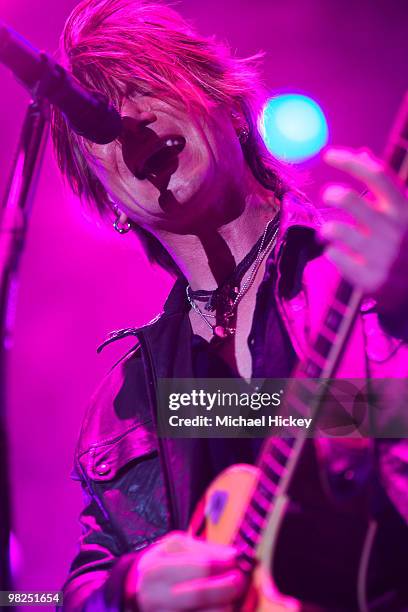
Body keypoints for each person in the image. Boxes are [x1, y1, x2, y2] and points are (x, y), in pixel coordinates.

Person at [51, 0, 408, 610]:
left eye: (144, 87)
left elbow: (387, 422)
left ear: (228, 107)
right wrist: (128, 590)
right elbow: (45, 598)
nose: (129, 119)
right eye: (99, 124)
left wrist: (403, 309)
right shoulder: (124, 405)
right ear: (106, 199)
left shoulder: (362, 279)